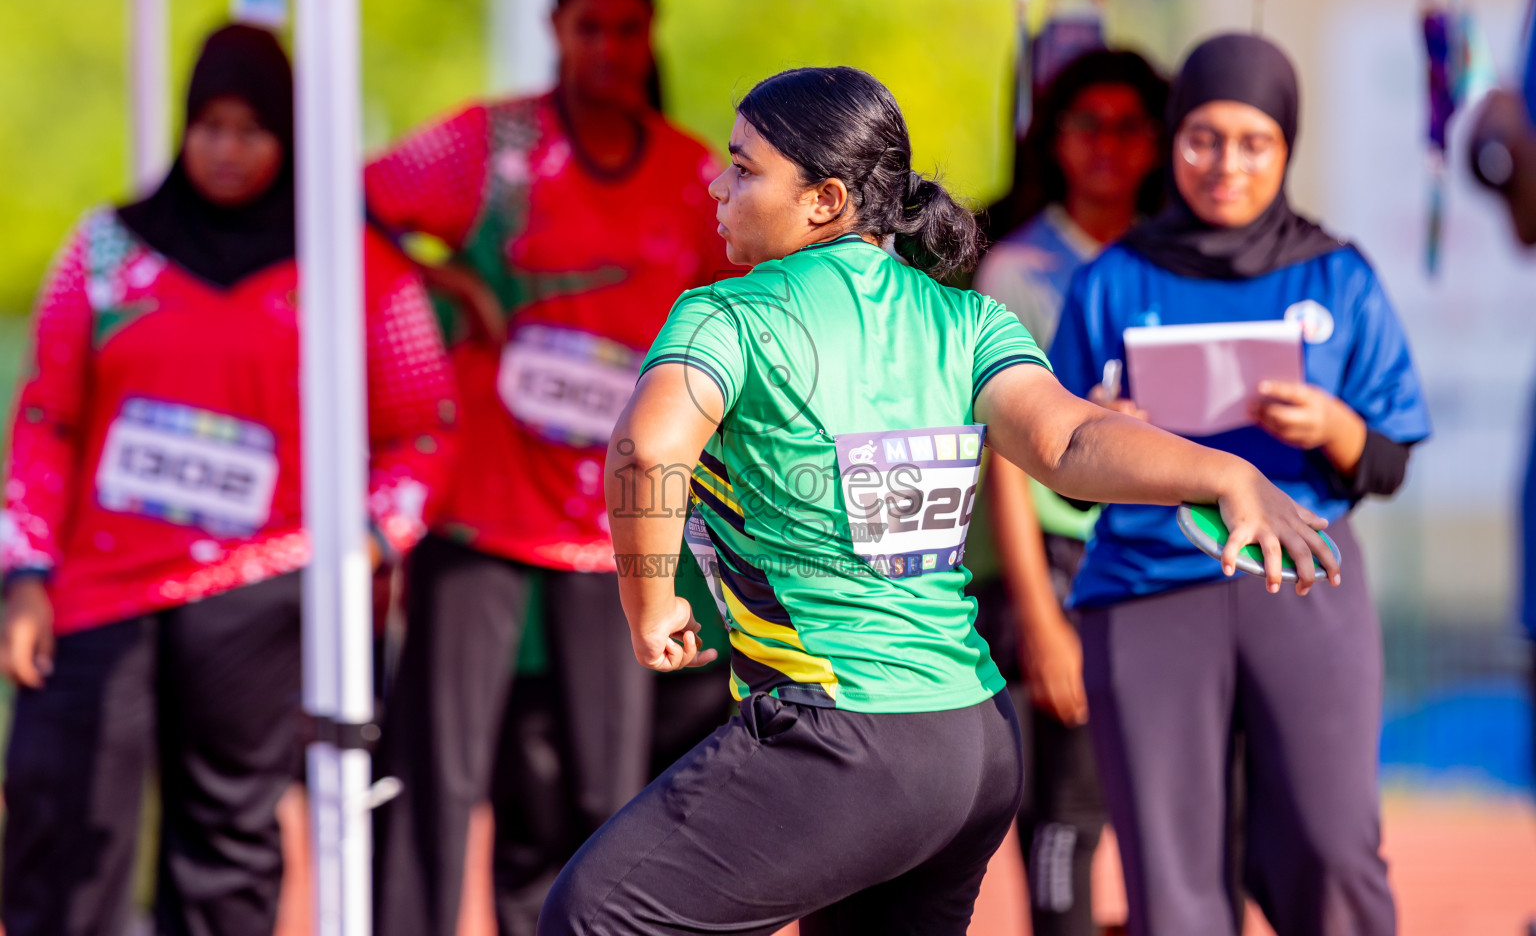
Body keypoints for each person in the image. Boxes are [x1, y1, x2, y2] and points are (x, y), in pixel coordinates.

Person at [536, 64, 1341, 936]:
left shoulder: (727, 315)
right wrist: (1227, 474)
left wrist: (649, 602)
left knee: (592, 918)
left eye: (743, 167)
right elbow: (1069, 443)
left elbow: (647, 447)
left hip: (837, 732)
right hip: (970, 744)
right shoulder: (967, 318)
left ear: (825, 199)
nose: (717, 183)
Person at [0, 24, 456, 936]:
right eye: (209, 124)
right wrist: (25, 576)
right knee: (61, 826)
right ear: (183, 127)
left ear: (288, 136)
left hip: (258, 594)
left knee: (226, 851)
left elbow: (425, 430)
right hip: (98, 597)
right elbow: (47, 421)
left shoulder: (354, 270)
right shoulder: (103, 251)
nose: (228, 148)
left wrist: (364, 547)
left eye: (252, 128)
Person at [364, 0, 734, 936]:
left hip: (619, 528)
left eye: (625, 29)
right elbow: (351, 205)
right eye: (587, 29)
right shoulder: (494, 148)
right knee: (433, 780)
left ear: (650, 34)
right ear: (555, 32)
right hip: (477, 514)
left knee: (607, 792)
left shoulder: (698, 178)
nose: (607, 48)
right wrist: (440, 283)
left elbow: (752, 308)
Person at [1047, 33, 1432, 936]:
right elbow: (1064, 477)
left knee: (1330, 850)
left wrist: (1333, 428)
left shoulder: (1339, 274)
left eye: (1254, 142)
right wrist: (1111, 434)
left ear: (1287, 148)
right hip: (1145, 591)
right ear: (1171, 141)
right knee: (1173, 880)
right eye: (1203, 139)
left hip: (1304, 582)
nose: (1226, 165)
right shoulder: (1114, 281)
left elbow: (1390, 458)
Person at [971, 48, 1166, 936]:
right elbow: (1005, 454)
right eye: (1087, 125)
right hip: (1059, 565)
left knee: (1190, 816)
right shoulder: (1019, 270)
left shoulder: (1178, 257)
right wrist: (1042, 620)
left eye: (1129, 126)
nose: (1108, 147)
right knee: (1067, 816)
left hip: (1169, 561)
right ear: (1054, 140)